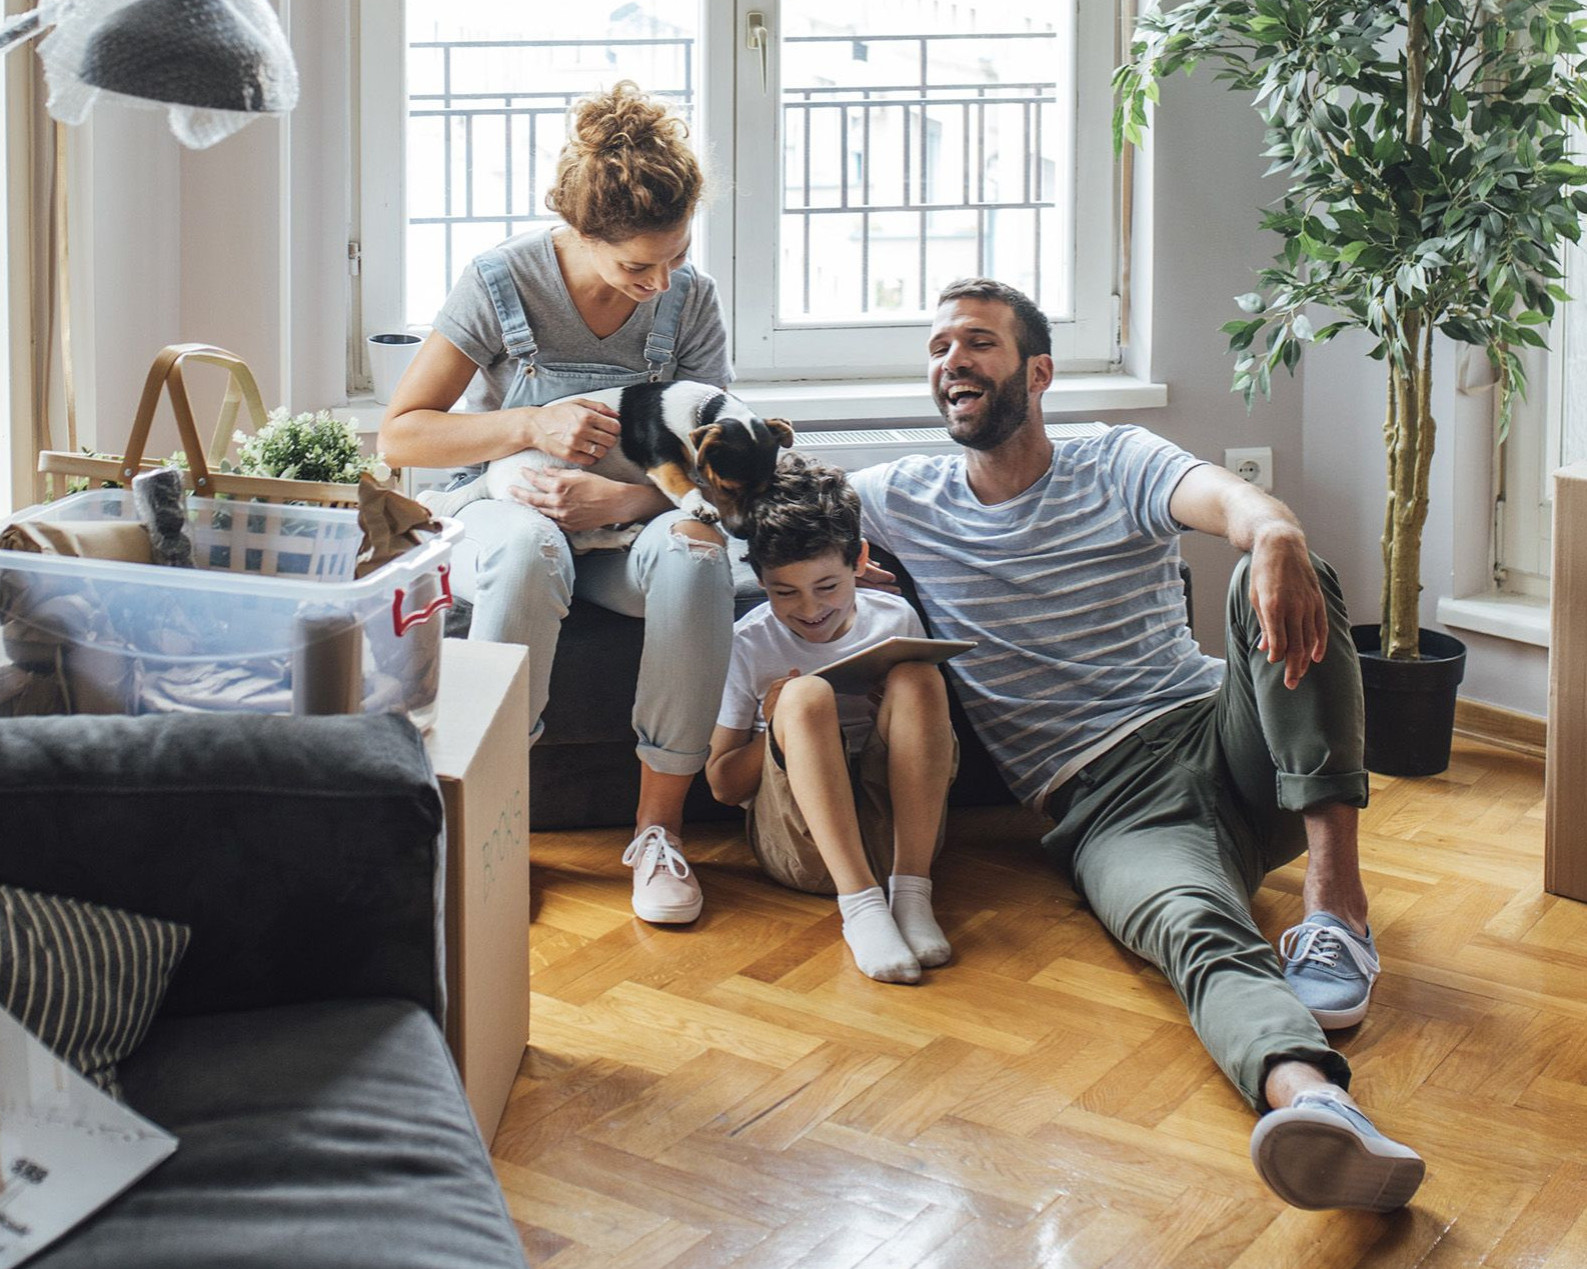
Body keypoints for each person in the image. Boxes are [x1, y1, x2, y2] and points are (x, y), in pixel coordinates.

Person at [845, 277, 1425, 1211]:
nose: (951, 361)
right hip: (1110, 807)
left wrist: (1272, 528)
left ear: (1036, 372)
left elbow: (1233, 502)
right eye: (938, 348)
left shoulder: (1117, 457)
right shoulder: (897, 497)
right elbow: (758, 502)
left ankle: (1334, 902)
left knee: (1279, 566)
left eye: (977, 344)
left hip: (1225, 736)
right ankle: (1316, 1108)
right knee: (1193, 932)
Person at [380, 81, 732, 926]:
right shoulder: (501, 281)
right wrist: (529, 423)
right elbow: (402, 436)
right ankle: (491, 832)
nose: (660, 281)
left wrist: (625, 493)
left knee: (695, 559)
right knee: (528, 552)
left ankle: (658, 832)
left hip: (628, 523)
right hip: (501, 511)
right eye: (636, 265)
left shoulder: (689, 300)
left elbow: (720, 461)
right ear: (580, 232)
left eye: (675, 256)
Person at [705, 454, 959, 984]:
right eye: (783, 592)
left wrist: (885, 712)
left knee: (917, 676)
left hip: (898, 839)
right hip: (801, 847)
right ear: (760, 580)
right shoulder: (750, 644)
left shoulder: (894, 617)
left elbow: (922, 725)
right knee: (804, 697)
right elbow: (724, 785)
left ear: (859, 561)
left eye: (827, 587)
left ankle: (913, 895)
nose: (809, 609)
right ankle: (861, 907)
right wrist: (773, 722)